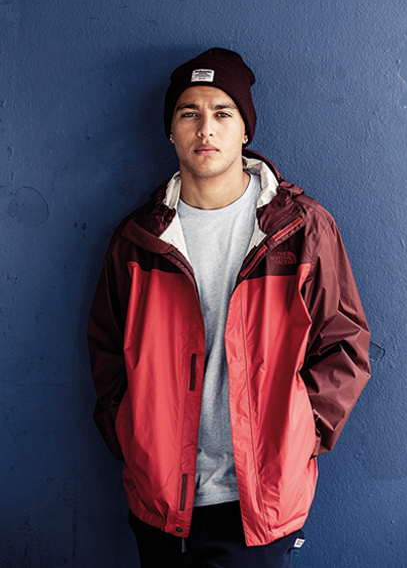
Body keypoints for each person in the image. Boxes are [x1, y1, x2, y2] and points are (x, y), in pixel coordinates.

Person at [88, 47, 371, 567]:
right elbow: (107, 349)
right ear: (171, 131)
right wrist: (132, 434)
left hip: (262, 500)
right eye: (188, 113)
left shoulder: (300, 229)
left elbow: (345, 345)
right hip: (160, 499)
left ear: (245, 131)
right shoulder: (139, 241)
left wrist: (299, 434)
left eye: (222, 112)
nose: (205, 128)